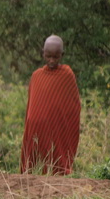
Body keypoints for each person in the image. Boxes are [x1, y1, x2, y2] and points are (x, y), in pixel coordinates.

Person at [20, 35, 81, 175]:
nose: (51, 60)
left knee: (56, 162)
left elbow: (73, 106)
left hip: (57, 128)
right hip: (36, 129)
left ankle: (57, 175)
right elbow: (31, 105)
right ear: (43, 53)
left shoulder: (67, 75)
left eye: (56, 57)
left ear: (62, 55)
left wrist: (59, 119)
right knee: (33, 165)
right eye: (48, 56)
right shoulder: (36, 76)